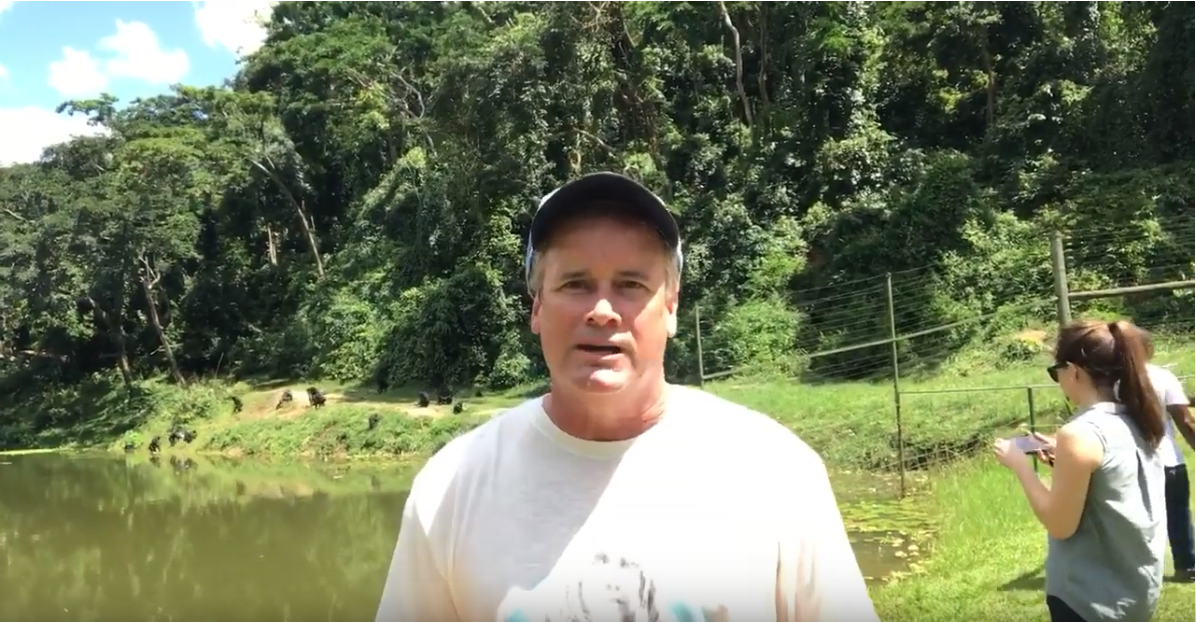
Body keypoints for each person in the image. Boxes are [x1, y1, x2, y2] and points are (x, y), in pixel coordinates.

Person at [374, 172, 879, 622]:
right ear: (537, 307)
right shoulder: (450, 488)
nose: (602, 310)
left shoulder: (776, 472)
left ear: (671, 306)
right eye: (575, 283)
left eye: (631, 284)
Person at [993, 320, 1167, 622]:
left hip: (1091, 600)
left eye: (1055, 371)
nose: (1057, 380)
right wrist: (1064, 459)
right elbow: (1112, 481)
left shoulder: (1080, 434)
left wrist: (1020, 466)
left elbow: (1059, 524)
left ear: (1074, 371)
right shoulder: (1137, 418)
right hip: (1137, 594)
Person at [1132, 330, 1195, 583]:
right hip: (1167, 460)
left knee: (1134, 517)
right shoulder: (1162, 377)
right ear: (1148, 349)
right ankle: (1187, 566)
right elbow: (1186, 421)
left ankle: (1139, 570)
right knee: (1177, 513)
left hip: (1128, 463)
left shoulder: (1108, 381)